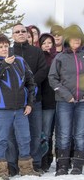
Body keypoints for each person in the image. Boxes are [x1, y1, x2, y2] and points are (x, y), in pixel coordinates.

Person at [0, 34, 36, 178]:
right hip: (1, 109)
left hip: (20, 108)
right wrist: (4, 64)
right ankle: (0, 171)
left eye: (6, 46)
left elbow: (31, 83)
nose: (4, 49)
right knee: (2, 140)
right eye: (0, 47)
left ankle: (26, 168)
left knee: (25, 138)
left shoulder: (20, 61)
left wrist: (30, 103)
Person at [8, 23, 48, 175]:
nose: (20, 33)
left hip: (34, 98)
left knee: (35, 132)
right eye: (17, 32)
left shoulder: (36, 52)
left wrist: (28, 84)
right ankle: (13, 164)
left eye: (23, 31)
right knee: (13, 133)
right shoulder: (9, 52)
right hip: (14, 101)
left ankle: (35, 163)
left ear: (27, 34)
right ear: (13, 35)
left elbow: (43, 70)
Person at [49, 24, 84, 176]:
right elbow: (53, 78)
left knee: (80, 134)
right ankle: (62, 165)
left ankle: (77, 165)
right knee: (64, 133)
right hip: (65, 101)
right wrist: (67, 95)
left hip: (82, 102)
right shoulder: (60, 57)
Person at [39, 33, 57, 172]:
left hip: (56, 99)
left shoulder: (58, 58)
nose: (47, 45)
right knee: (43, 132)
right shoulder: (39, 59)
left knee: (53, 132)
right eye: (44, 43)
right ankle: (43, 160)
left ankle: (51, 160)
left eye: (49, 43)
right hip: (42, 100)